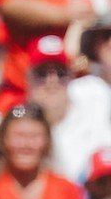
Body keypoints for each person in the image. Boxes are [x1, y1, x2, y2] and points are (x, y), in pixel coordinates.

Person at [25, 34, 111, 181]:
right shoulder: (22, 123)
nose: (52, 81)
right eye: (42, 74)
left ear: (71, 76)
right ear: (28, 79)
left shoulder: (95, 92)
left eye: (60, 73)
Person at [0, 102, 86, 199]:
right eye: (19, 136)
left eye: (35, 136)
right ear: (4, 140)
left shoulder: (65, 189)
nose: (26, 144)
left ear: (47, 141)